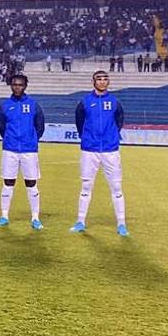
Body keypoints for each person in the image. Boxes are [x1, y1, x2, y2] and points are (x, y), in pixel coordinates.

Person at [72, 70, 128, 236]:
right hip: (90, 150)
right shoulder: (84, 102)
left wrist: (110, 137)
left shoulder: (115, 102)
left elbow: (119, 122)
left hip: (111, 150)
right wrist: (88, 138)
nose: (103, 82)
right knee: (86, 186)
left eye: (105, 79)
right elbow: (79, 122)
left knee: (117, 187)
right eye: (99, 79)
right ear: (93, 81)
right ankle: (80, 221)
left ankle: (121, 224)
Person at [0, 73, 45, 230]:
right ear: (11, 85)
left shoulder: (33, 105)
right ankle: (4, 216)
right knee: (8, 182)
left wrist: (31, 140)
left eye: (20, 84)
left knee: (31, 183)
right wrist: (10, 140)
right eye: (14, 84)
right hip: (10, 149)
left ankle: (35, 218)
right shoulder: (4, 105)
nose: (17, 87)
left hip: (29, 150)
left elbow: (40, 126)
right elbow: (2, 127)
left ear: (25, 86)